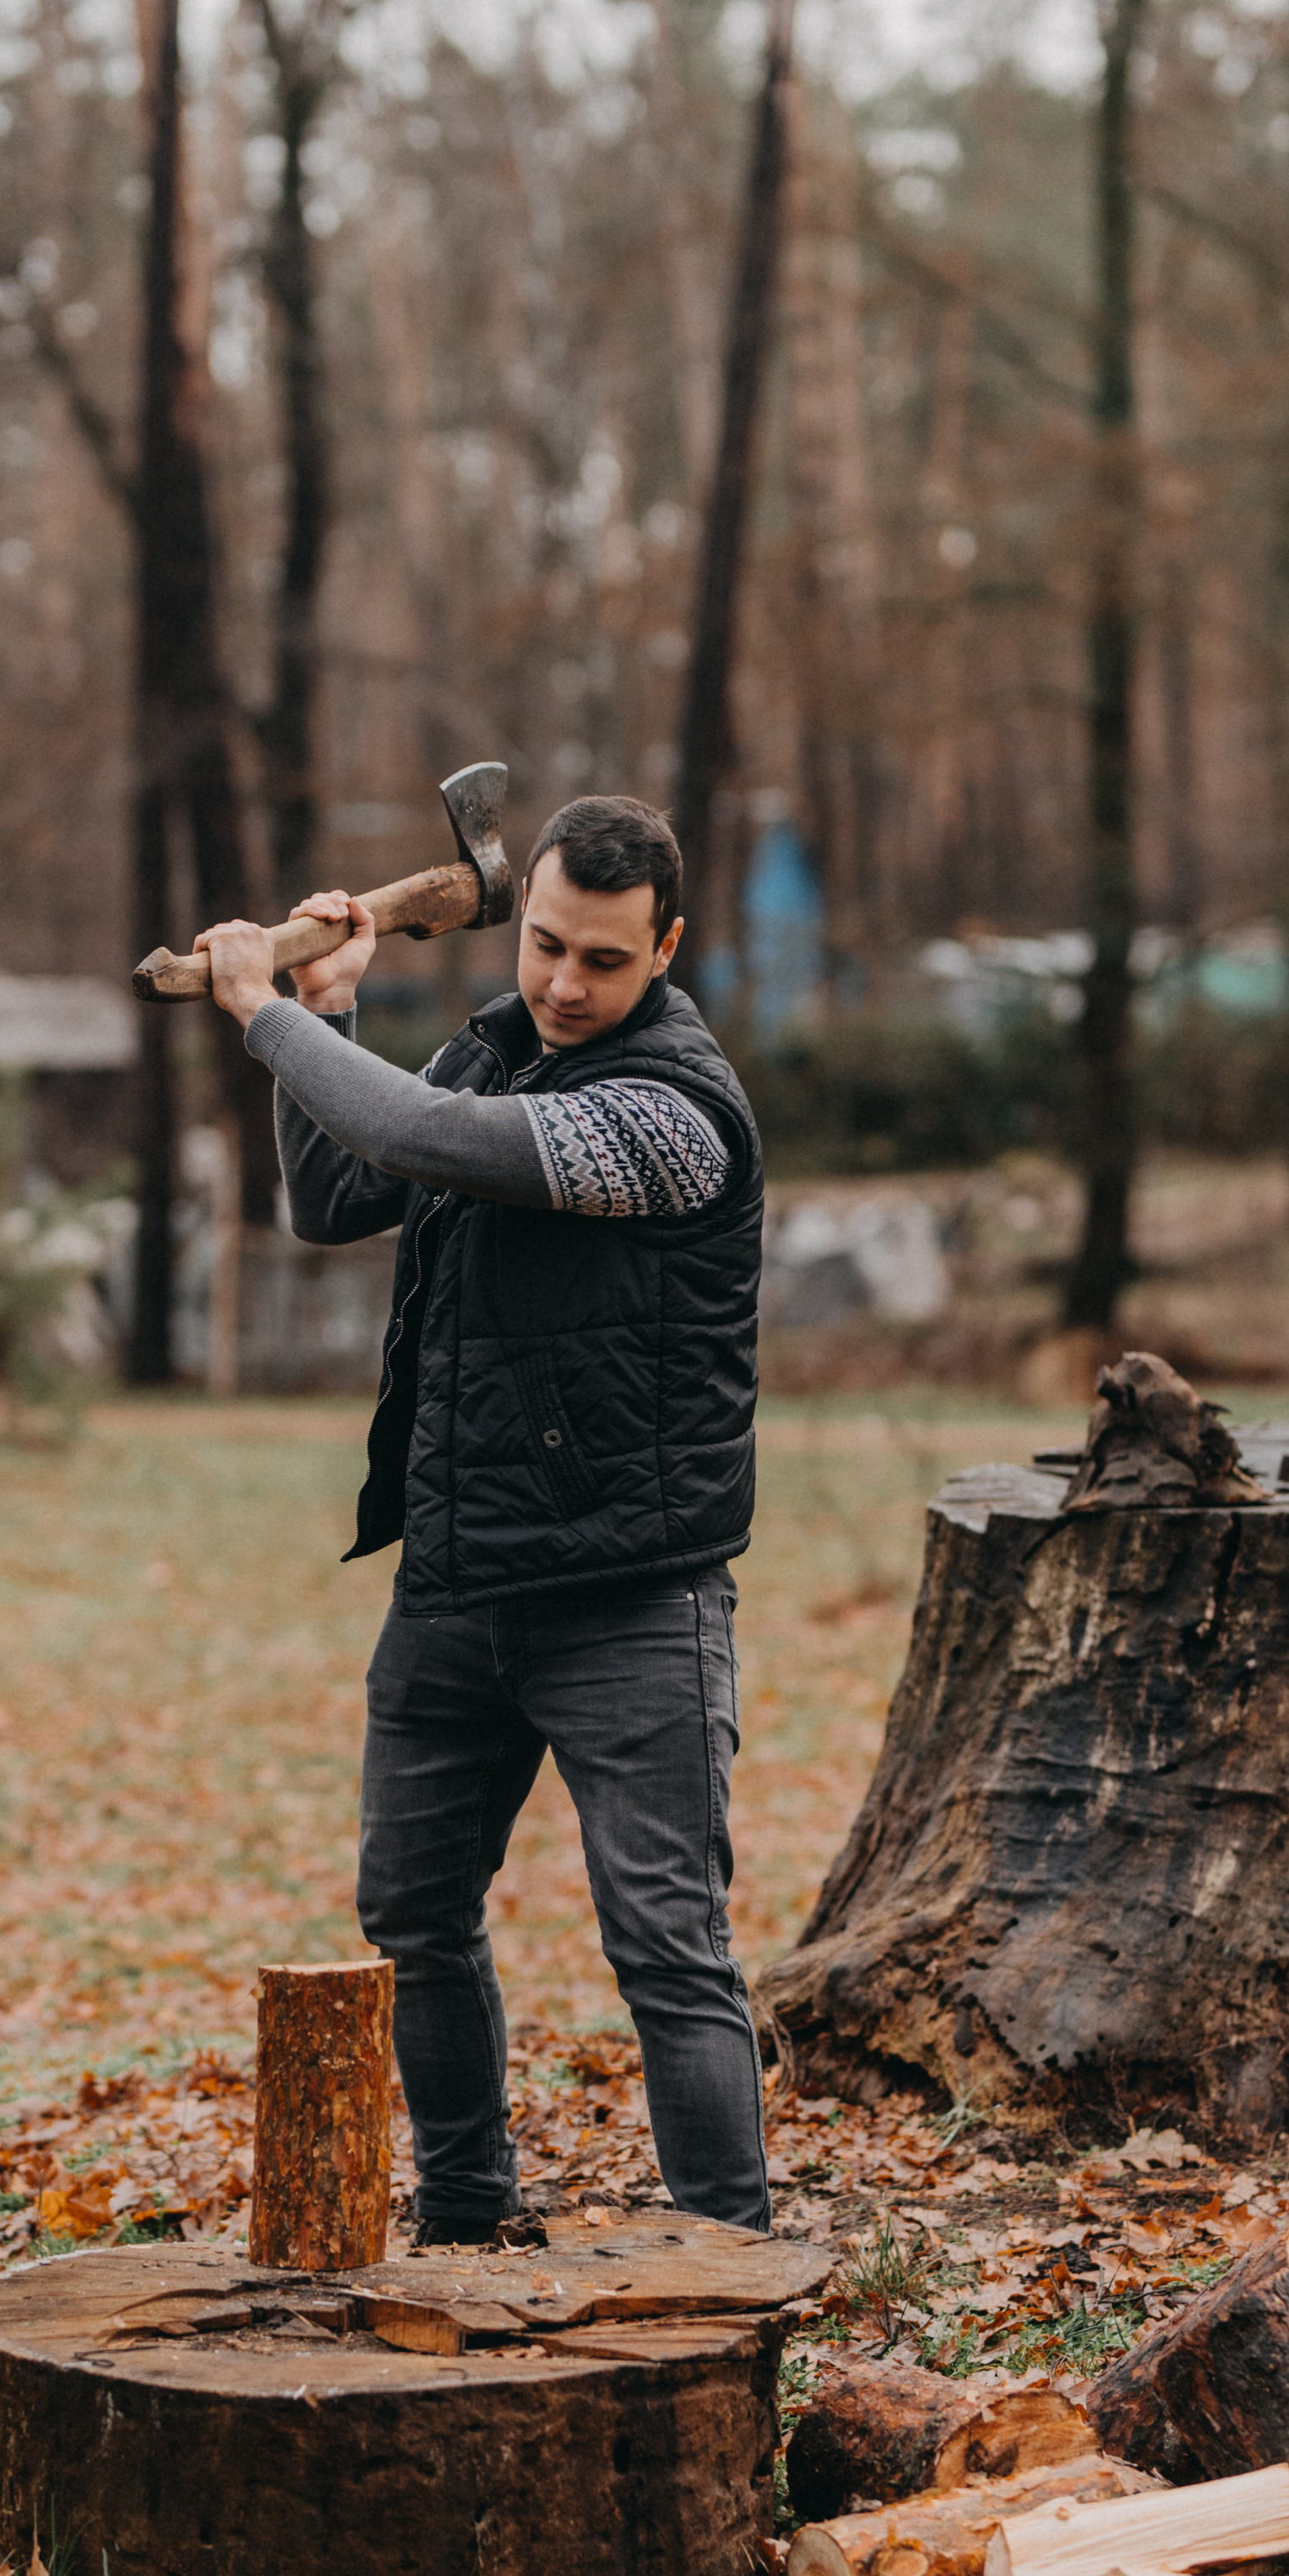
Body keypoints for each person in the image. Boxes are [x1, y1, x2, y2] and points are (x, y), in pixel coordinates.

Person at [199, 794, 771, 2244]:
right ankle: (465, 2220)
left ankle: (733, 2270)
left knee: (667, 1953)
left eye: (604, 962)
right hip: (459, 1578)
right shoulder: (502, 1043)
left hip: (633, 1597)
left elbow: (443, 1142)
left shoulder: (674, 1112)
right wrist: (328, 1007)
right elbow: (335, 1193)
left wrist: (272, 1016)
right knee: (413, 1917)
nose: (566, 986)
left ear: (667, 951)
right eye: (544, 946)